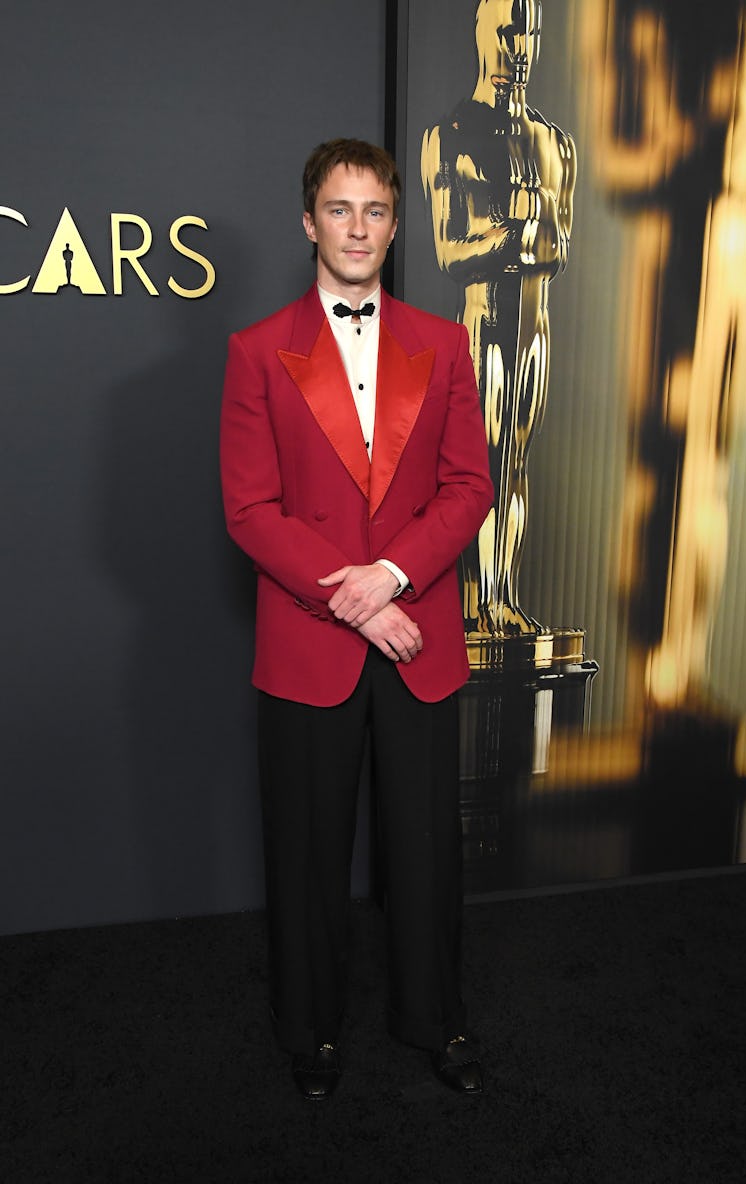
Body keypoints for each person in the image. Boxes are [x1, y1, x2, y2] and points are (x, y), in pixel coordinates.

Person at [220, 139, 493, 1100]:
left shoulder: (444, 341)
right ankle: (311, 1033)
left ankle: (437, 1023)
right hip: (313, 642)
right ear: (309, 222)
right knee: (305, 853)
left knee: (425, 853)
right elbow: (250, 510)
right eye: (340, 210)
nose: (359, 228)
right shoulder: (257, 351)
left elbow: (469, 488)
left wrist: (391, 576)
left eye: (375, 211)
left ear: (393, 223)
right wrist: (356, 601)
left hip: (419, 636)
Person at [421, 0, 576, 637]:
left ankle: (499, 596)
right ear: (482, 34)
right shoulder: (451, 134)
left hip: (535, 327)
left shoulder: (554, 141)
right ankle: (471, 603)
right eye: (508, 31)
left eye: (529, 33)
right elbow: (452, 250)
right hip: (482, 325)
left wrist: (516, 235)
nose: (519, 46)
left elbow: (561, 245)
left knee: (514, 464)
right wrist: (523, 235)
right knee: (478, 464)